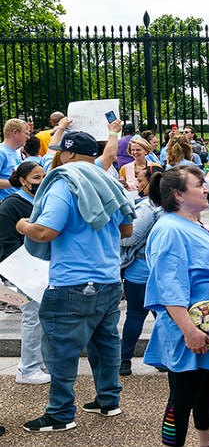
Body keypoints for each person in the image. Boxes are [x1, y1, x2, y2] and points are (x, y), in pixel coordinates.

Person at [17, 130, 135, 433]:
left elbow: (46, 231)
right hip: (109, 279)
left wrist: (23, 225)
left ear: (67, 154)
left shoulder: (64, 182)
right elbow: (126, 230)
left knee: (60, 349)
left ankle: (60, 414)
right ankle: (109, 400)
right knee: (106, 343)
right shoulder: (107, 181)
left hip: (72, 282)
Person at [142, 165, 209, 447]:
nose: (206, 188)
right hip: (191, 330)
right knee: (182, 398)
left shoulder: (195, 224)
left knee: (208, 389)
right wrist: (189, 330)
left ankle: (207, 444)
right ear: (179, 195)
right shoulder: (169, 229)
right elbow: (169, 284)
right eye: (199, 184)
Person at [0, 162, 50, 385]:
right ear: (22, 180)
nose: (41, 182)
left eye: (43, 177)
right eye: (36, 178)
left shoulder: (40, 201)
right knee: (33, 315)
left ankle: (36, 364)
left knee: (40, 317)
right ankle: (28, 367)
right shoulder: (11, 206)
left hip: (39, 268)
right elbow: (5, 242)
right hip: (24, 270)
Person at [118, 165, 165, 376]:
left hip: (140, 270)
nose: (136, 183)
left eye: (139, 179)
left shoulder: (147, 207)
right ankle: (163, 358)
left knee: (136, 315)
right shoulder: (172, 207)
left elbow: (130, 238)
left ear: (150, 182)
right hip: (162, 271)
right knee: (164, 316)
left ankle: (124, 360)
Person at [0, 118, 29, 200]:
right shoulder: (1, 152)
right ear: (15, 132)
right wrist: (16, 183)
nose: (28, 137)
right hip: (4, 203)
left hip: (14, 201)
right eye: (26, 134)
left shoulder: (16, 152)